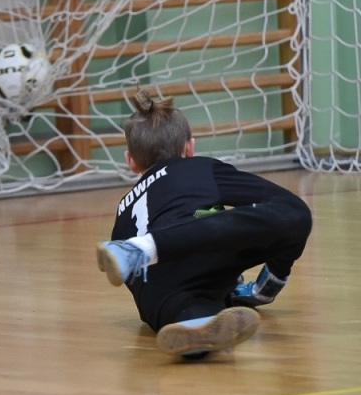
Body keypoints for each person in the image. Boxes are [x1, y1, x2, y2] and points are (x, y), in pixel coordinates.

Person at [95, 86, 312, 360]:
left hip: (158, 297)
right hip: (201, 252)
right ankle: (258, 290)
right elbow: (276, 201)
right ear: (190, 148)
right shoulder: (197, 168)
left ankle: (195, 325)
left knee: (195, 309)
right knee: (294, 212)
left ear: (131, 162)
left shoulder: (122, 212)